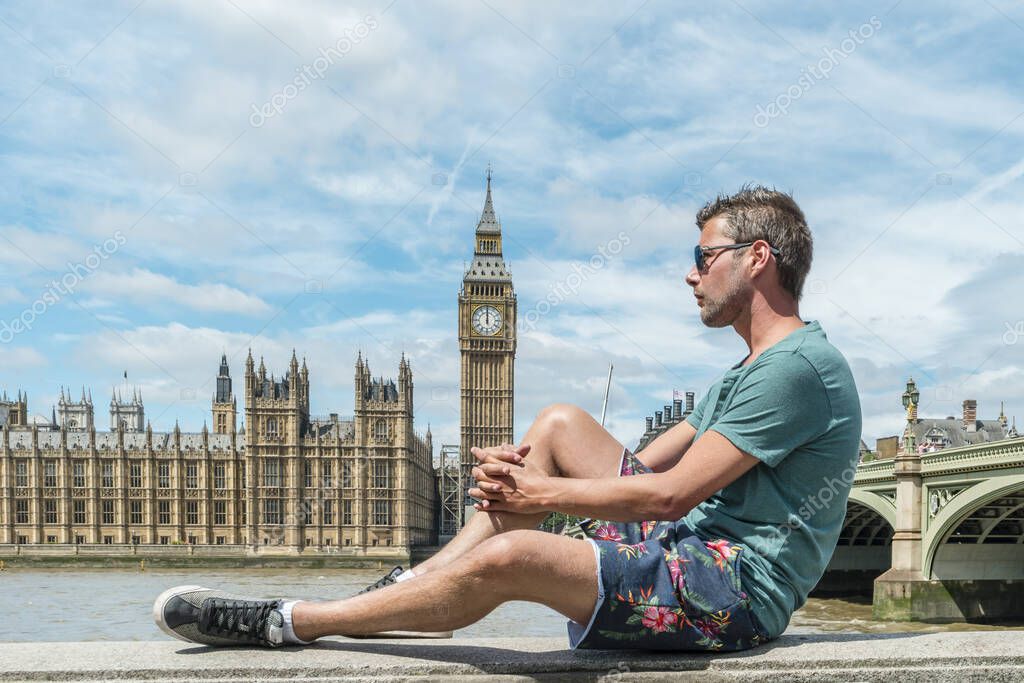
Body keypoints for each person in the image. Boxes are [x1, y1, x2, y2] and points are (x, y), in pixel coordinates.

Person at [153, 185, 862, 650]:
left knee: (517, 553)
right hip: (681, 545)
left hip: (728, 588)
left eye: (702, 257)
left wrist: (538, 498)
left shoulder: (797, 368)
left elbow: (671, 493)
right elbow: (643, 464)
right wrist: (514, 469)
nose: (690, 273)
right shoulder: (742, 373)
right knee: (555, 423)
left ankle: (291, 620)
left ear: (757, 258)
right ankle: (414, 588)